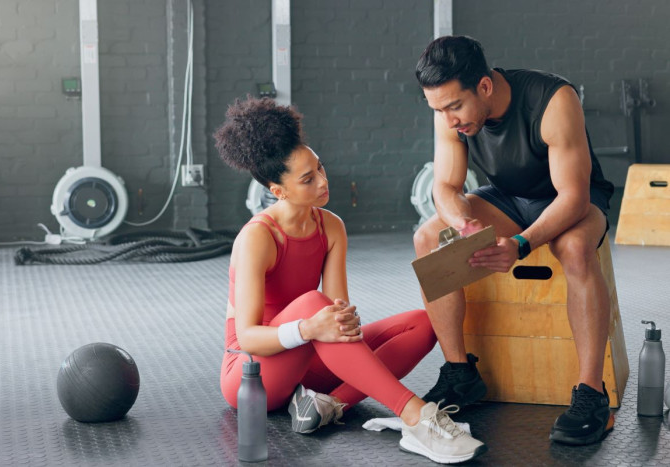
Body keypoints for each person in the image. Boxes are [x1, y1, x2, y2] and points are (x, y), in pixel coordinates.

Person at [216, 96, 487, 463]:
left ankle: (329, 406)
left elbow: (337, 310)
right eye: (308, 179)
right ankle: (416, 418)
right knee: (314, 306)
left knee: (423, 324)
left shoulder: (331, 227)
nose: (324, 182)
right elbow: (248, 336)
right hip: (252, 375)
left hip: (308, 360)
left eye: (320, 168)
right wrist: (310, 327)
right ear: (278, 191)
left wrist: (336, 322)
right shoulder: (258, 237)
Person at [412, 36, 616, 446]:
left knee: (573, 248)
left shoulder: (554, 99)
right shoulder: (447, 111)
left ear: (484, 87)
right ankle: (459, 373)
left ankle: (592, 392)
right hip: (507, 199)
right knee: (429, 235)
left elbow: (573, 197)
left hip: (570, 197)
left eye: (454, 107)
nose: (449, 119)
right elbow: (447, 186)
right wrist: (463, 224)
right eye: (438, 109)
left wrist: (522, 244)